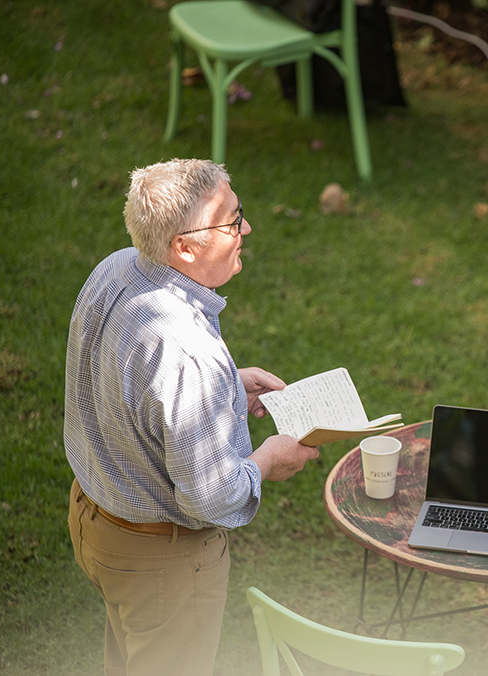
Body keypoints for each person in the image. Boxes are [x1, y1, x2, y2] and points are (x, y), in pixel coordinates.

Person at [64, 158, 320, 676]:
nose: (245, 228)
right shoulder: (188, 351)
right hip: (161, 562)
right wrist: (268, 459)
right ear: (184, 247)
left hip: (95, 520)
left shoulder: (116, 269)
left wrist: (224, 386)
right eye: (230, 221)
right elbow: (211, 497)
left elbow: (117, 379)